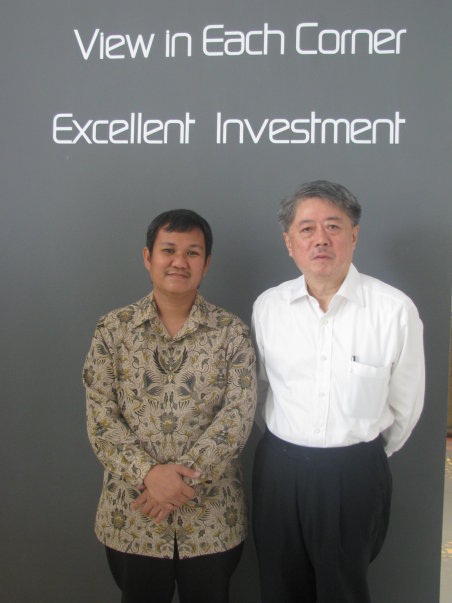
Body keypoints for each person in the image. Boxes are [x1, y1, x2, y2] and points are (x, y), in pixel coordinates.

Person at [251, 180, 425, 603]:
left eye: (333, 226)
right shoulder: (268, 307)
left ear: (354, 234)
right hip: (279, 472)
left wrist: (360, 456)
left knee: (344, 591)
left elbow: (406, 404)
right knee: (280, 588)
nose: (321, 239)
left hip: (354, 475)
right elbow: (258, 390)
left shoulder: (394, 310)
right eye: (306, 229)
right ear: (289, 242)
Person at [83, 209, 256, 603]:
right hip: (134, 515)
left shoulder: (232, 333)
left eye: (192, 252)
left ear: (206, 263)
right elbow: (100, 418)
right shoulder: (113, 330)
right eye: (169, 250)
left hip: (212, 518)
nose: (180, 261)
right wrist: (148, 475)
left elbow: (237, 417)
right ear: (148, 257)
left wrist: (179, 483)